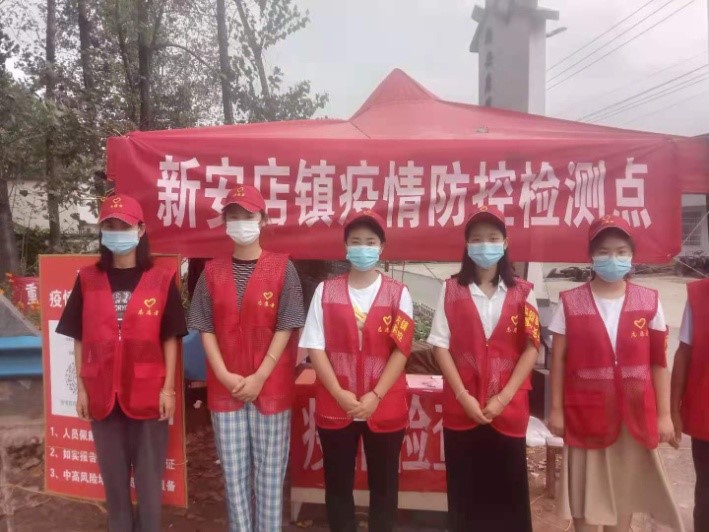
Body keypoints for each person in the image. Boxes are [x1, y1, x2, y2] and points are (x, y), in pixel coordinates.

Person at [56, 193, 187, 532]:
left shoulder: (161, 279)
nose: (117, 233)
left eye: (124, 226)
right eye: (110, 227)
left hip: (148, 392)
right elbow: (78, 336)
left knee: (148, 481)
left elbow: (170, 338)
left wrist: (168, 390)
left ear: (140, 230)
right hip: (101, 393)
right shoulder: (88, 279)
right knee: (113, 483)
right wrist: (82, 388)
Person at [548, 215, 684, 532]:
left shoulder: (649, 302)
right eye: (604, 251)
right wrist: (556, 410)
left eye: (621, 251)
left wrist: (664, 415)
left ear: (632, 255)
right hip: (585, 416)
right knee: (586, 504)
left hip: (634, 417)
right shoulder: (570, 302)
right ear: (591, 256)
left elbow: (658, 363)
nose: (613, 259)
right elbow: (558, 362)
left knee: (625, 497)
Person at [187, 184, 305, 532]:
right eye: (233, 216)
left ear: (263, 220)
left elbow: (287, 324)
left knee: (270, 475)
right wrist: (223, 374)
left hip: (271, 386)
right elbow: (204, 326)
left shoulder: (283, 268)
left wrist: (260, 376)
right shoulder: (212, 272)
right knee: (234, 475)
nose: (240, 223)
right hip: (226, 388)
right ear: (225, 223)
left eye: (248, 216)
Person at [299, 209, 414, 532]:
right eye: (356, 241)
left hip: (384, 404)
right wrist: (339, 393)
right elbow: (315, 347)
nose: (363, 248)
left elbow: (401, 349)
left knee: (385, 487)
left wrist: (376, 395)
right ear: (346, 246)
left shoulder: (398, 293)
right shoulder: (325, 291)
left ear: (382, 247)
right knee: (337, 485)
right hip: (337, 403)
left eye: (370, 242)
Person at [427, 205, 540, 532]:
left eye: (492, 238)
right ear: (467, 245)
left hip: (508, 408)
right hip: (463, 408)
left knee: (508, 492)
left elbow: (532, 347)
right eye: (476, 239)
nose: (484, 245)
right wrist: (463, 397)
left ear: (505, 243)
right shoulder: (450, 289)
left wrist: (503, 398)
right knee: (466, 493)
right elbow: (439, 345)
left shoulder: (523, 292)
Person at [671, 277, 709, 532]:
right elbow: (684, 353)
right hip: (706, 415)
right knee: (706, 494)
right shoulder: (700, 296)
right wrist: (673, 410)